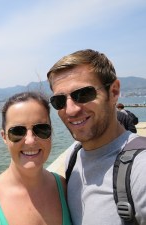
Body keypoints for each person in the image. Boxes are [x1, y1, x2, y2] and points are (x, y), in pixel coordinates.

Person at [46, 49, 146, 225]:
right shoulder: (74, 156)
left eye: (83, 94)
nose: (71, 110)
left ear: (114, 92)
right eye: (59, 101)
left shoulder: (140, 169)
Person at [0, 92, 72, 225]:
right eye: (18, 131)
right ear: (4, 137)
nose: (30, 141)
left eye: (41, 129)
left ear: (51, 132)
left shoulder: (64, 188)